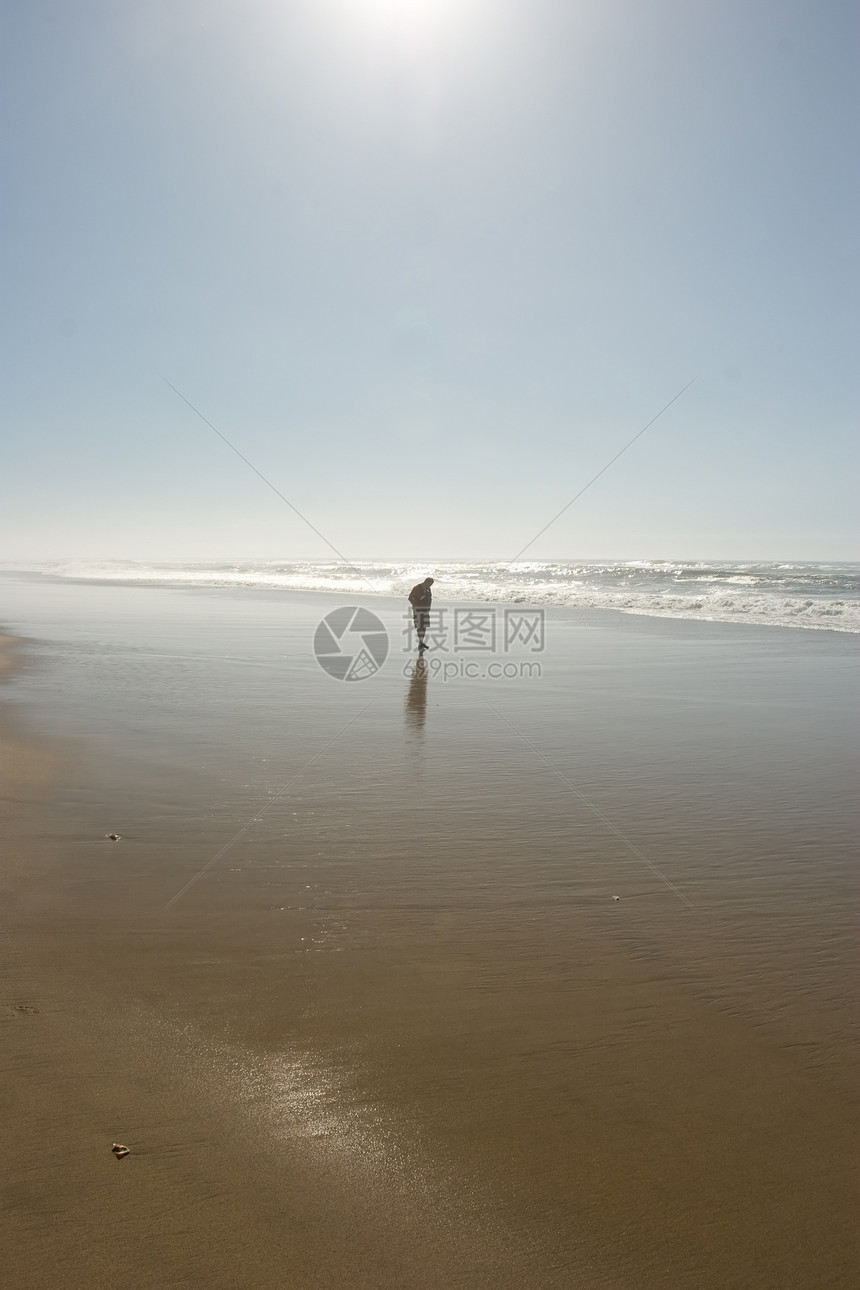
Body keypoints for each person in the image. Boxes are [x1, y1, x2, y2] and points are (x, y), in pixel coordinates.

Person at [408, 577, 434, 651]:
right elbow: (410, 598)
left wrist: (429, 608)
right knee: (419, 626)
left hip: (426, 610)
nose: (430, 586)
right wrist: (416, 604)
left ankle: (421, 642)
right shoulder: (417, 588)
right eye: (430, 584)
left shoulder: (428, 589)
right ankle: (420, 642)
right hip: (418, 610)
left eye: (431, 585)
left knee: (424, 626)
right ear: (426, 582)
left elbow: (430, 598)